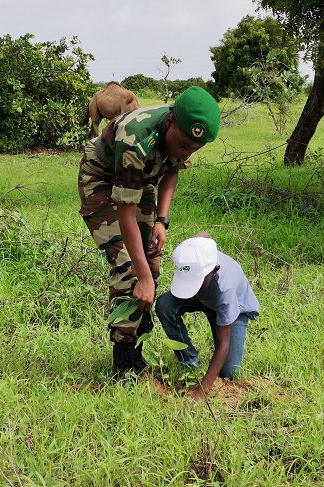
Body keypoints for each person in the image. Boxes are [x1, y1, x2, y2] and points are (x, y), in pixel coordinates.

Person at [78, 86, 221, 379]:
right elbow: (126, 213)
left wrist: (162, 220)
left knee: (152, 263)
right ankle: (124, 364)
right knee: (130, 268)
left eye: (193, 149)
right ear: (170, 122)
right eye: (182, 144)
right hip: (102, 180)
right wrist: (141, 275)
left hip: (140, 182)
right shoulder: (135, 139)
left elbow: (172, 169)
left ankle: (138, 354)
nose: (186, 152)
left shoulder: (183, 134)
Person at [155, 232, 260, 402]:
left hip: (235, 310)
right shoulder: (192, 254)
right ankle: (190, 362)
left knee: (229, 372)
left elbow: (223, 344)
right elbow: (204, 235)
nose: (191, 287)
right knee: (165, 304)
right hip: (203, 298)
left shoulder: (226, 291)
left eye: (195, 282)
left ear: (214, 269)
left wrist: (201, 391)